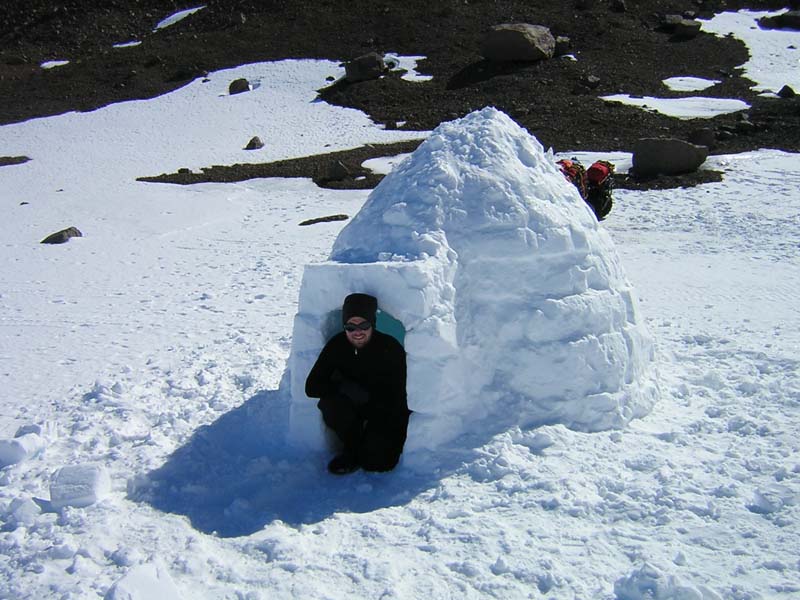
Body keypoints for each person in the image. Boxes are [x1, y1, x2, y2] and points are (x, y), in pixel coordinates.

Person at [305, 293, 409, 474]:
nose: (357, 332)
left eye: (364, 325)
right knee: (331, 404)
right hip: (354, 409)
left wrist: (375, 402)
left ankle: (370, 446)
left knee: (377, 463)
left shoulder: (389, 348)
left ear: (373, 324)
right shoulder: (337, 345)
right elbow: (312, 386)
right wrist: (345, 388)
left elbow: (403, 393)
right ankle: (351, 448)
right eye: (350, 327)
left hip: (385, 409)